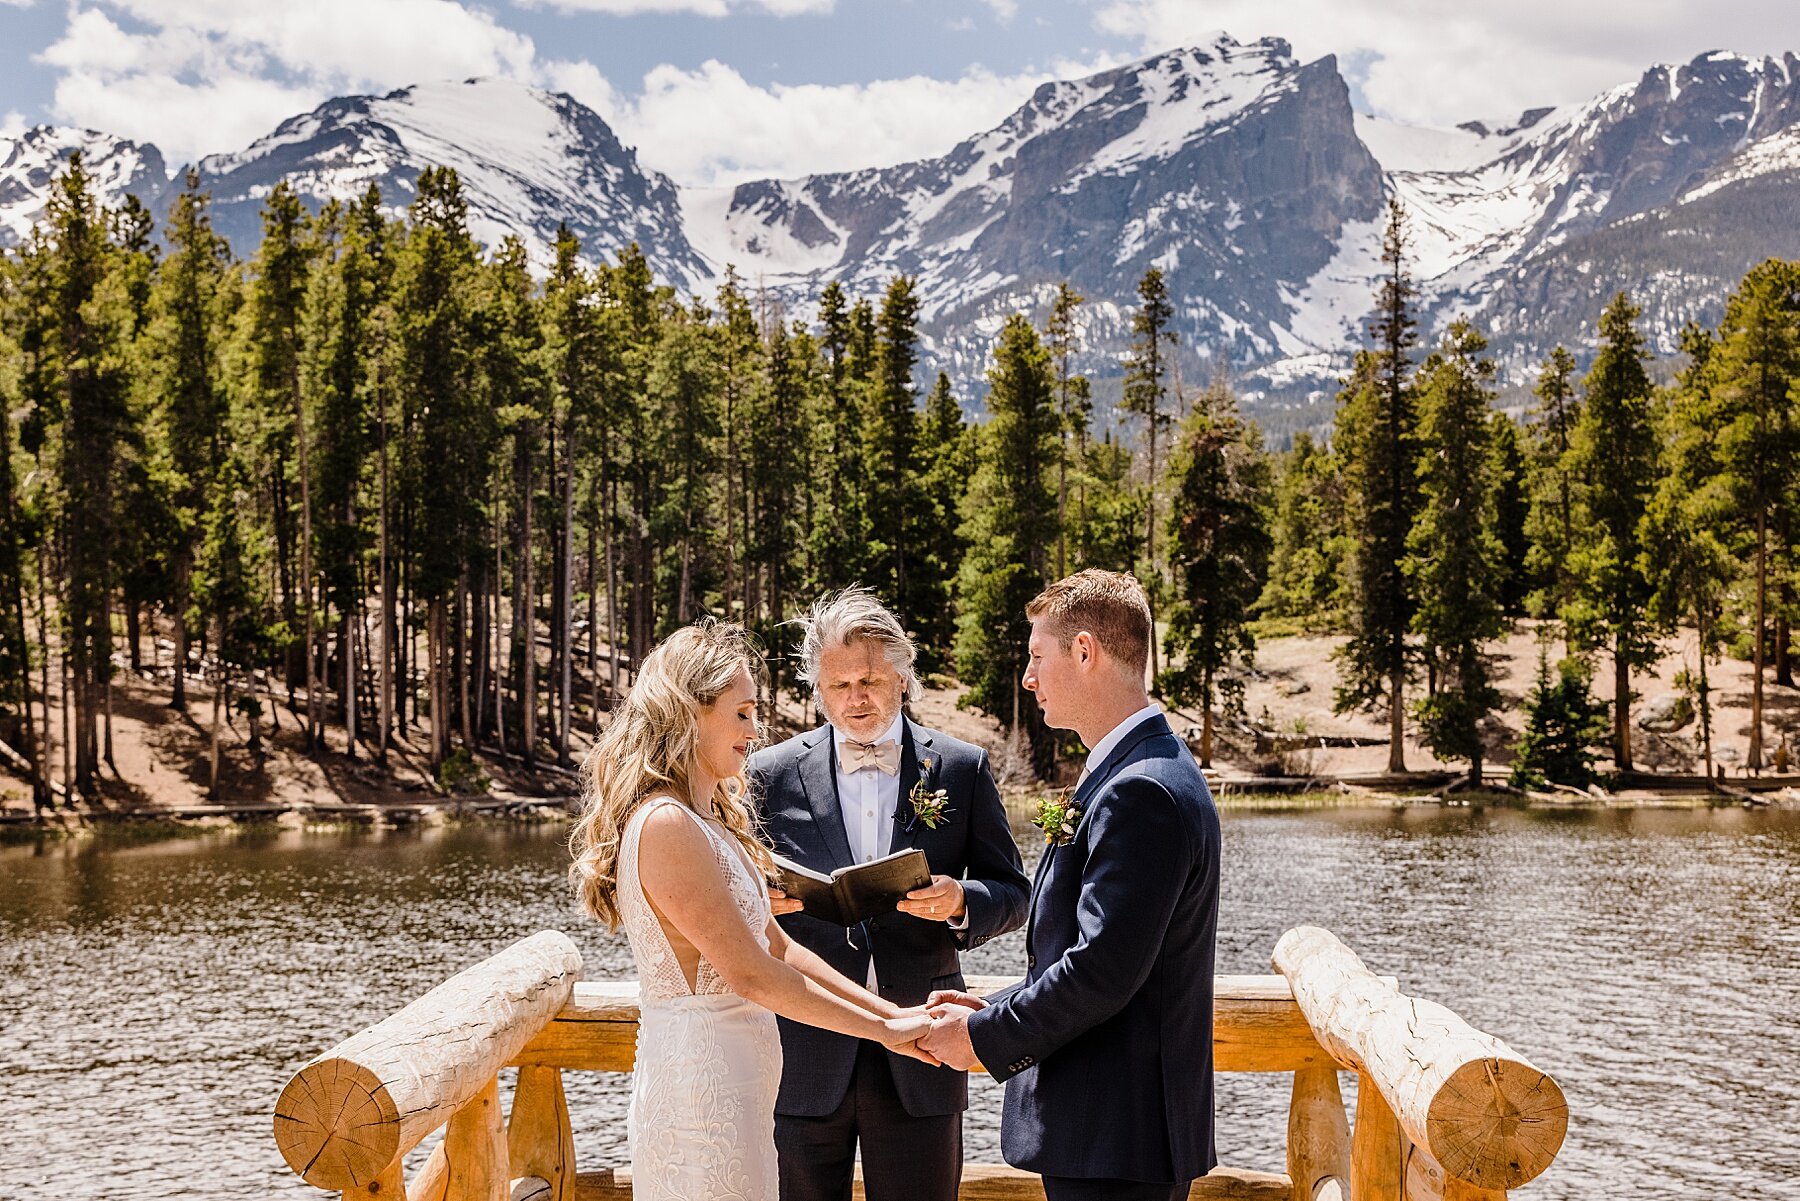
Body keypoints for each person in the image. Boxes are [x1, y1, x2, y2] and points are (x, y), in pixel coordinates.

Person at [570, 619, 937, 1201]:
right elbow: (751, 974)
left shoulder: (706, 818)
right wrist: (885, 1030)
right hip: (700, 1093)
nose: (754, 730)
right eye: (741, 713)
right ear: (690, 711)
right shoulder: (667, 824)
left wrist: (890, 1016)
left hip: (739, 1089)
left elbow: (778, 945)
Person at [921, 570, 1221, 1201]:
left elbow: (1102, 970)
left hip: (1118, 1139)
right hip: (1112, 1135)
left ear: (1084, 652)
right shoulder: (1137, 769)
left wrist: (982, 1040)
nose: (1028, 678)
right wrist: (994, 1006)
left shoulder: (1142, 789)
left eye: (1036, 657)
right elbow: (1084, 952)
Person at [748, 588, 1029, 1201]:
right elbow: (736, 891)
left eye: (871, 679)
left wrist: (961, 900)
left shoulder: (960, 766)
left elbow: (1014, 892)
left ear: (903, 675)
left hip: (923, 1046)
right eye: (838, 684)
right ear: (816, 687)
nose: (856, 698)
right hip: (803, 1052)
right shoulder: (766, 775)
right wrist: (758, 902)